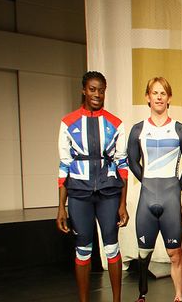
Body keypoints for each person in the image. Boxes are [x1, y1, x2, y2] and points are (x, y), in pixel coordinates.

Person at [56, 71, 129, 302]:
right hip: (79, 194)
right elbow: (64, 166)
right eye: (92, 89)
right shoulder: (68, 123)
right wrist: (61, 207)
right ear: (84, 90)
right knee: (83, 248)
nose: (97, 94)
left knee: (112, 246)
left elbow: (122, 165)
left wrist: (123, 204)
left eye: (101, 90)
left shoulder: (115, 123)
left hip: (109, 193)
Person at [127, 77, 182, 302]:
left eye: (163, 93)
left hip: (170, 198)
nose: (159, 97)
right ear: (147, 97)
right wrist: (146, 181)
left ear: (169, 98)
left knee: (174, 253)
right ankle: (142, 292)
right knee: (143, 253)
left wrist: (176, 187)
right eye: (154, 93)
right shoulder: (138, 129)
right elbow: (131, 160)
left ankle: (179, 296)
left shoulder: (179, 129)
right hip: (147, 198)